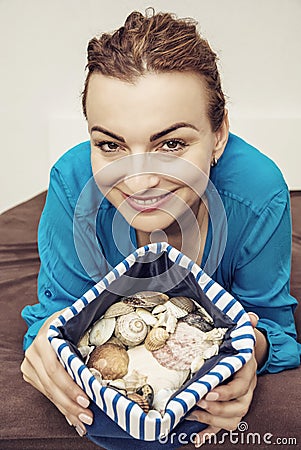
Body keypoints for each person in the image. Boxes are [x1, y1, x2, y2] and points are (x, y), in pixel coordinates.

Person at [20, 9, 300, 449]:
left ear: (219, 134)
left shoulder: (259, 193)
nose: (138, 181)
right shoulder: (73, 183)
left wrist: (251, 352)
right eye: (110, 145)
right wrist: (46, 341)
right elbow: (57, 313)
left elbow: (276, 327)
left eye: (170, 144)